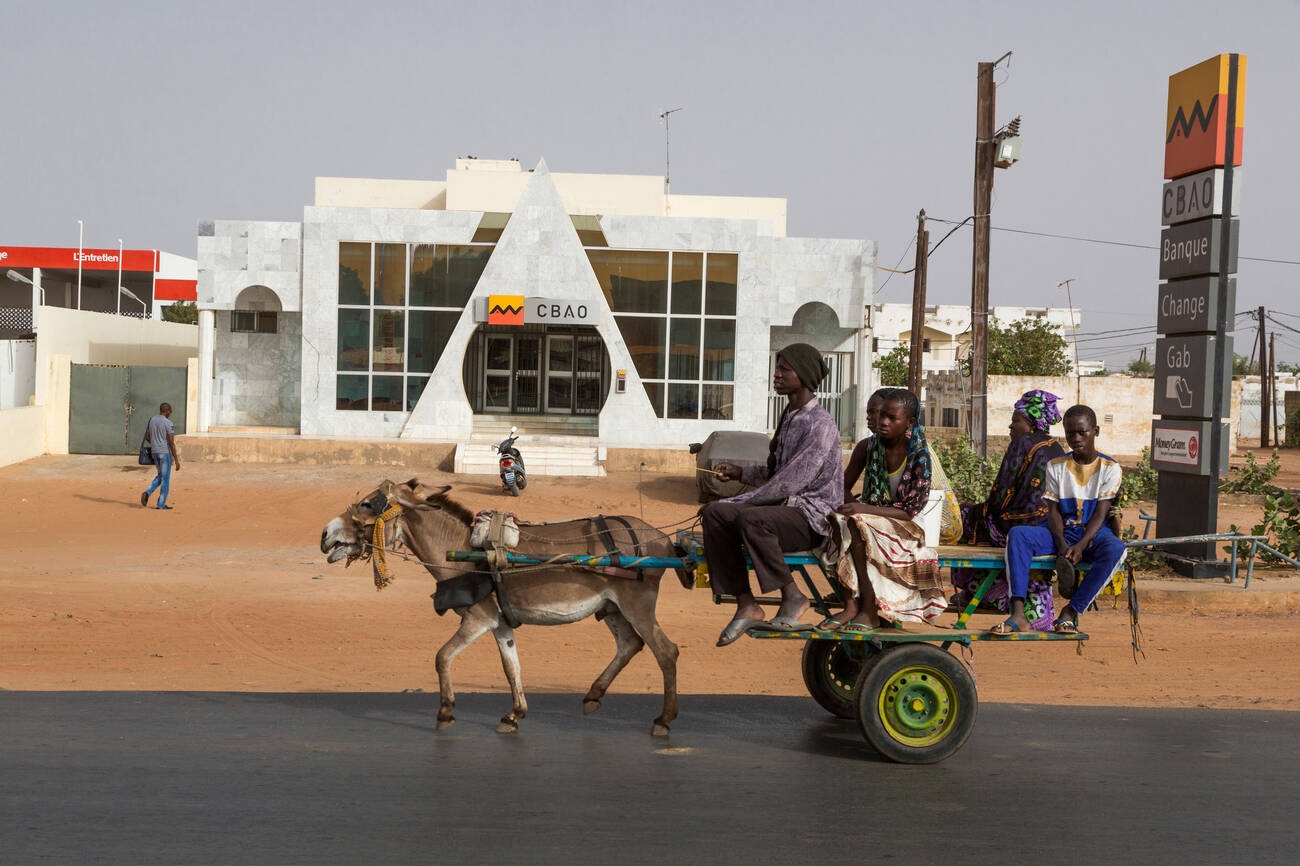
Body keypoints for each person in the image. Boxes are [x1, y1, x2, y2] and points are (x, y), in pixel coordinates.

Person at [701, 343, 844, 647]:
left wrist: (737, 500)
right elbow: (776, 472)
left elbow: (790, 483)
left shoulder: (820, 425)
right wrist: (740, 473)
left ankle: (793, 596)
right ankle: (746, 604)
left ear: (803, 376)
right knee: (714, 513)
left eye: (784, 369)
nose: (776, 375)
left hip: (812, 516)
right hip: (784, 509)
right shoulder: (790, 416)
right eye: (777, 368)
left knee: (752, 519)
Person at [990, 404, 1126, 635]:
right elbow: (1052, 511)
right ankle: (1018, 613)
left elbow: (1101, 514)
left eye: (1082, 432)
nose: (1076, 438)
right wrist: (1062, 544)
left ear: (1096, 431)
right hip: (1061, 531)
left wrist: (1081, 546)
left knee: (1116, 549)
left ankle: (1070, 612)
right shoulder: (1056, 465)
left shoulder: (1110, 468)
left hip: (1092, 534)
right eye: (1070, 433)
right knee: (1019, 535)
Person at [822, 388, 946, 632]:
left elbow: (909, 511)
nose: (883, 422)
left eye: (891, 418)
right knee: (835, 519)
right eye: (881, 416)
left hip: (907, 524)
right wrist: (849, 505)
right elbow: (842, 487)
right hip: (872, 516)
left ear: (909, 422)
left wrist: (862, 509)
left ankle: (868, 610)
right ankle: (849, 604)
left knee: (858, 524)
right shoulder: (867, 447)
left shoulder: (919, 454)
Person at [951, 390, 1067, 629]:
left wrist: (982, 510)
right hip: (1049, 526)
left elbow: (1001, 494)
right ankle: (1029, 605)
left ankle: (975, 593)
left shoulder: (1022, 443)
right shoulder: (1058, 447)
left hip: (1017, 525)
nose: (1011, 426)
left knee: (965, 517)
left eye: (1016, 420)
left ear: (1031, 421)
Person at [140, 403, 181, 510]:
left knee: (161, 475)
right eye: (170, 411)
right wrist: (176, 460)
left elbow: (148, 437)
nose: (170, 413)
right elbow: (171, 442)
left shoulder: (152, 420)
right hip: (164, 453)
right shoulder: (168, 423)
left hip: (154, 452)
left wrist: (155, 443)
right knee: (165, 478)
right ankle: (161, 504)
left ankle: (147, 493)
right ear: (167, 411)